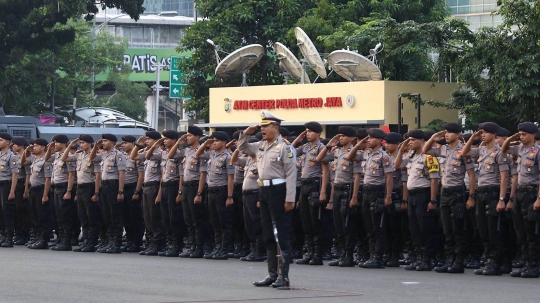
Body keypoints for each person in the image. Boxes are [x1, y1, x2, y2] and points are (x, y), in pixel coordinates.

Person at [238, 110, 297, 289]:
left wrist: (290, 199)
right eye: (261, 126)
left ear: (275, 128)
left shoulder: (286, 148)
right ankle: (272, 274)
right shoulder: (260, 146)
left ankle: (283, 277)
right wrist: (246, 133)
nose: (262, 129)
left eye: (266, 126)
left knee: (281, 233)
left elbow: (291, 174)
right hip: (263, 190)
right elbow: (242, 148)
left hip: (279, 190)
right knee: (267, 233)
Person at [424, 123, 476, 273]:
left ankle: (458, 261)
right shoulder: (443, 149)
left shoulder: (463, 151)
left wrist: (471, 196)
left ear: (458, 134)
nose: (446, 135)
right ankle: (449, 260)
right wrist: (434, 137)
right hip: (445, 192)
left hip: (457, 192)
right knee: (446, 228)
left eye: (450, 132)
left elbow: (471, 176)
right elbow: (425, 150)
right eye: (445, 132)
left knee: (457, 228)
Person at [462, 122, 509, 275]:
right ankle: (489, 259)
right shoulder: (481, 150)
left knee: (493, 228)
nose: (483, 134)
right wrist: (472, 138)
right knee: (482, 228)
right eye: (482, 132)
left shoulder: (499, 152)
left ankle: (495, 263)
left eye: (486, 132)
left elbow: (504, 177)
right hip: (481, 192)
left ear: (494, 135)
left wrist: (502, 199)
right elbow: (464, 153)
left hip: (493, 192)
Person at [394, 129, 440, 271]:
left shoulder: (429, 157)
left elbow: (434, 180)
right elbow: (396, 166)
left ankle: (427, 259)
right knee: (414, 228)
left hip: (423, 195)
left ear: (422, 140)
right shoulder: (411, 156)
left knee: (425, 227)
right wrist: (401, 151)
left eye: (413, 139)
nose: (410, 142)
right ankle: (419, 258)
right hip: (412, 196)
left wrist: (432, 200)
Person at [501, 122, 540, 278]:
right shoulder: (520, 149)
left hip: (532, 193)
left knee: (531, 230)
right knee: (520, 229)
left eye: (524, 134)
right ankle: (525, 262)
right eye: (520, 134)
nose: (521, 137)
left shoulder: (537, 151)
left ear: (533, 135)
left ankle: (534, 264)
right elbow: (504, 149)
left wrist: (539, 198)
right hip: (520, 193)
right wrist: (513, 137)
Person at [317, 126, 357, 267]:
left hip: (347, 189)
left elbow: (357, 177)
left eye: (343, 136)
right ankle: (342, 254)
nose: (340, 138)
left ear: (351, 138)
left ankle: (349, 255)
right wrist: (328, 146)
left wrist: (354, 196)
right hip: (338, 189)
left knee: (347, 224)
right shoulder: (337, 151)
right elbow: (319, 158)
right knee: (338, 224)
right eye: (339, 136)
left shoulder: (354, 153)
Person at [290, 122, 328, 266]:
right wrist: (298, 139)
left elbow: (325, 171)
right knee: (305, 221)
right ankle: (309, 252)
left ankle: (317, 254)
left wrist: (323, 191)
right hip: (304, 185)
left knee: (315, 221)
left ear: (318, 133)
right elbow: (289, 151)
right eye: (306, 131)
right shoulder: (305, 147)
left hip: (315, 185)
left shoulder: (321, 148)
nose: (307, 134)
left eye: (310, 131)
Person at [168, 126, 208, 258]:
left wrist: (199, 193)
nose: (187, 138)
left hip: (195, 186)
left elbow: (202, 174)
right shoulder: (186, 151)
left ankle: (199, 247)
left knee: (197, 219)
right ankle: (192, 246)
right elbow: (170, 155)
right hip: (185, 187)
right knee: (188, 219)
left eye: (190, 135)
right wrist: (178, 143)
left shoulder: (201, 151)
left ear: (197, 137)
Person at [195, 131, 235, 260]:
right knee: (214, 221)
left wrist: (229, 196)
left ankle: (224, 249)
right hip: (210, 190)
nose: (214, 143)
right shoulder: (212, 155)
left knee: (224, 221)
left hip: (221, 190)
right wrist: (206, 143)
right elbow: (198, 153)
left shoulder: (228, 157)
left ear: (223, 142)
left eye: (216, 141)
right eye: (213, 141)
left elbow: (230, 178)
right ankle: (217, 247)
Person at [62, 135, 102, 252]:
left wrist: (96, 193)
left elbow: (98, 176)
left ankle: (92, 243)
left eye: (83, 143)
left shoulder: (94, 156)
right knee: (83, 217)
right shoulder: (79, 155)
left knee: (91, 217)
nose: (81, 145)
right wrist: (70, 145)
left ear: (90, 143)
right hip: (80, 188)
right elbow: (64, 158)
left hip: (90, 187)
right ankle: (85, 241)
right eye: (80, 143)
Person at [90, 134, 126, 254]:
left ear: (112, 142)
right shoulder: (104, 155)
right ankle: (110, 241)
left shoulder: (118, 155)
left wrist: (120, 191)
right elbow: (91, 158)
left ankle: (116, 243)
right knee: (106, 215)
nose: (103, 143)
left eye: (105, 141)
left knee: (115, 215)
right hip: (104, 186)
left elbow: (121, 174)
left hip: (113, 185)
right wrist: (95, 147)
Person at [131, 131, 166, 255]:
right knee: (147, 217)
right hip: (146, 187)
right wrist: (138, 145)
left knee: (155, 216)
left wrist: (159, 193)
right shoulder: (147, 152)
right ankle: (150, 242)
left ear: (157, 141)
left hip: (155, 186)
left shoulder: (160, 154)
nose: (146, 141)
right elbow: (133, 157)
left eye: (149, 139)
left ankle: (158, 243)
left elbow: (162, 176)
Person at [231, 137, 265, 262]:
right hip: (246, 194)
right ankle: (253, 249)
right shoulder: (249, 160)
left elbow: (263, 180)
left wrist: (261, 198)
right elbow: (234, 160)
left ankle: (259, 251)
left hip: (256, 194)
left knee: (257, 223)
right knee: (249, 223)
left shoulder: (261, 160)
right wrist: (237, 150)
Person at [45, 134, 76, 251]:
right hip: (55, 187)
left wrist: (68, 191)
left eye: (57, 142)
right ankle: (60, 239)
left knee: (65, 216)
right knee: (58, 216)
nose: (55, 144)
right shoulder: (56, 155)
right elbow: (47, 159)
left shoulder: (68, 156)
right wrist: (49, 149)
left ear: (64, 143)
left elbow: (71, 175)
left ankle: (66, 241)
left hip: (64, 188)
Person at [22, 139, 53, 249]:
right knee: (34, 215)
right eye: (33, 146)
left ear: (44, 147)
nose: (34, 147)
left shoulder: (47, 160)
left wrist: (45, 195)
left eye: (36, 146)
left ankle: (43, 240)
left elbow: (48, 179)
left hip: (41, 189)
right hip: (33, 189)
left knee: (42, 216)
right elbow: (22, 162)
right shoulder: (34, 159)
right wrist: (27, 150)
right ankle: (36, 238)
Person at [383, 132, 405, 267]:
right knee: (386, 227)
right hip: (385, 193)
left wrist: (404, 200)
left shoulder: (401, 158)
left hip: (397, 193)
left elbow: (404, 182)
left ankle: (395, 255)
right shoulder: (385, 157)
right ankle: (388, 253)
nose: (386, 146)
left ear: (397, 144)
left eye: (389, 144)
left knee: (396, 227)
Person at [120, 135, 145, 252]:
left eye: (125, 143)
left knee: (135, 217)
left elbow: (141, 176)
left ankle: (137, 242)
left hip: (133, 188)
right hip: (124, 188)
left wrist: (136, 191)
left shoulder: (137, 156)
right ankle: (129, 241)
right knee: (126, 217)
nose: (123, 145)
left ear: (132, 143)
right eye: (122, 143)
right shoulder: (122, 156)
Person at [11, 136, 31, 245]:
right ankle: (18, 233)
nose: (13, 146)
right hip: (15, 184)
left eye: (15, 144)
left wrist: (26, 190)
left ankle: (24, 235)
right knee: (16, 211)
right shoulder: (14, 156)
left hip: (22, 184)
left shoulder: (27, 157)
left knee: (22, 211)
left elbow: (28, 174)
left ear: (21, 145)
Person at [0, 133, 18, 247]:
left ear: (8, 142)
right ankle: (2, 234)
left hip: (6, 185)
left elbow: (15, 174)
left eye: (1, 140)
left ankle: (9, 237)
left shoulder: (12, 156)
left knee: (7, 211)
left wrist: (12, 191)